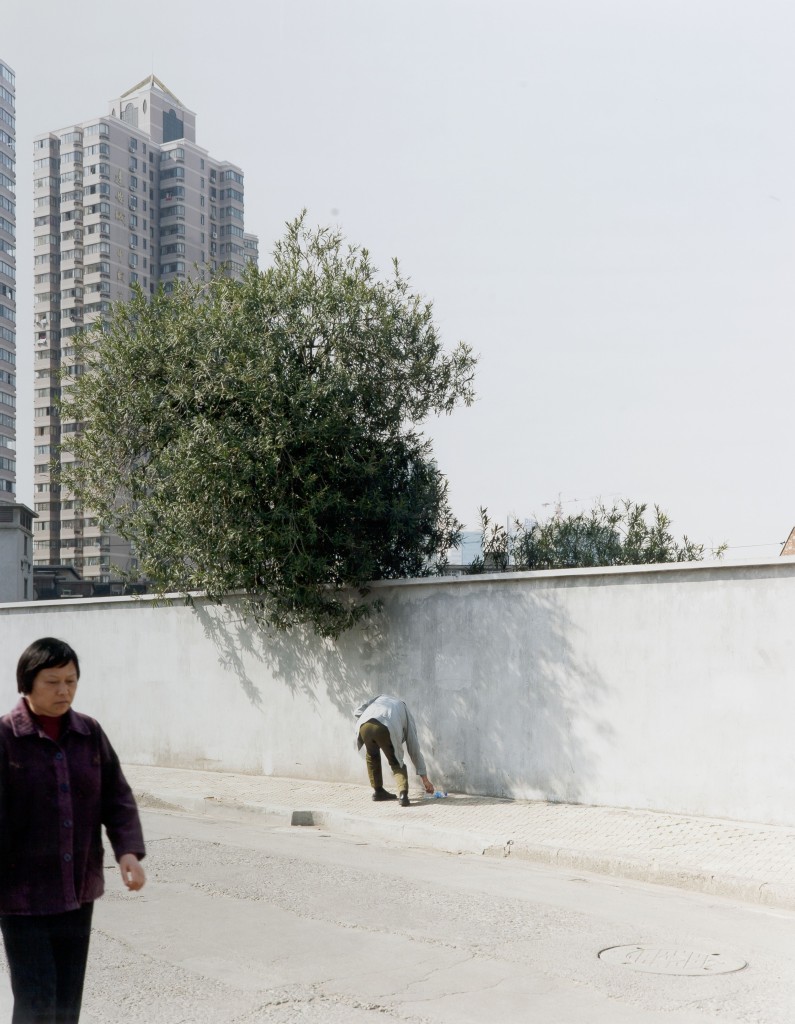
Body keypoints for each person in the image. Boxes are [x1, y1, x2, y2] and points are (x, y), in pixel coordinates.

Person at [0, 637, 146, 1024]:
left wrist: (127, 850)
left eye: (71, 680)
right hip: (22, 897)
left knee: (66, 997)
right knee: (37, 997)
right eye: (53, 681)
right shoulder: (4, 739)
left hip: (77, 889)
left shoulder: (89, 733)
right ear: (27, 683)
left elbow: (117, 796)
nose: (64, 690)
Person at [354, 694, 435, 806]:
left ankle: (378, 791)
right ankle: (403, 795)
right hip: (385, 727)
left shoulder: (380, 698)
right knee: (396, 762)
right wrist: (425, 779)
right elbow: (413, 747)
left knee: (371, 755)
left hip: (364, 725)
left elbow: (357, 712)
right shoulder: (404, 710)